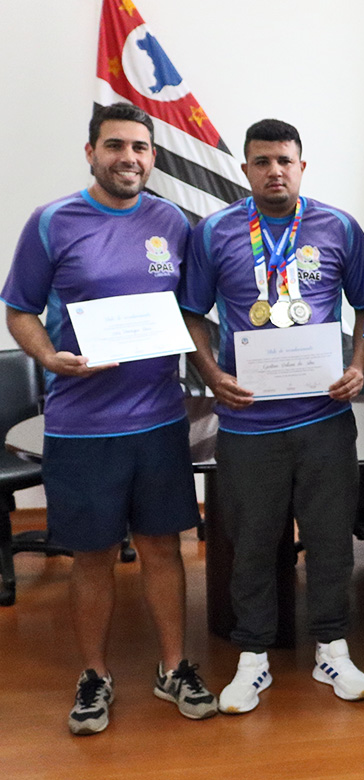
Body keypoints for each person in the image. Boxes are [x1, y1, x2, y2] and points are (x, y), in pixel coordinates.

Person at [2, 103, 215, 735]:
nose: (130, 157)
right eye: (116, 145)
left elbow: (193, 311)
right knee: (92, 556)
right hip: (81, 425)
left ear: (153, 156)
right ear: (91, 152)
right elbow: (20, 309)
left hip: (157, 418)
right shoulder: (52, 222)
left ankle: (173, 666)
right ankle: (94, 674)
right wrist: (48, 358)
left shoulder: (171, 221)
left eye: (141, 148)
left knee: (161, 548)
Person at [179, 119, 364, 713]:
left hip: (323, 419)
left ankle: (332, 649)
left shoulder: (338, 226)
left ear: (302, 166)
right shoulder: (214, 232)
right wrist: (212, 375)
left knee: (330, 541)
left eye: (285, 160)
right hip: (249, 424)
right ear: (245, 170)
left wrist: (360, 365)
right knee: (253, 543)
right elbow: (190, 312)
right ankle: (253, 658)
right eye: (262, 162)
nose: (274, 171)